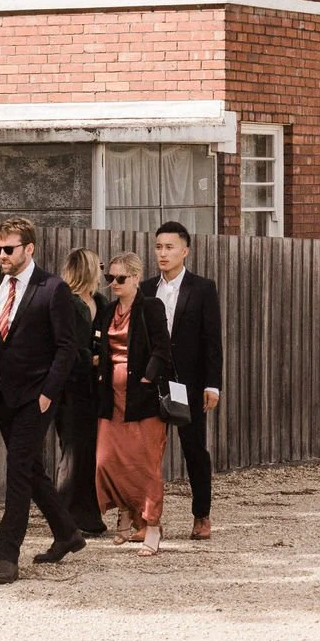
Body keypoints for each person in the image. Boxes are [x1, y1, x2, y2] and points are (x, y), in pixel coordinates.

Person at [0, 216, 86, 584]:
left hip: (37, 397)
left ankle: (7, 557)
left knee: (17, 472)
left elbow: (66, 346)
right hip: (3, 395)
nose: (1, 255)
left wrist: (48, 393)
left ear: (29, 248)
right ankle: (67, 532)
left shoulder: (52, 288)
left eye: (9, 249)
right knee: (30, 468)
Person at [141, 221, 222, 539]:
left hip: (189, 383)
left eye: (169, 247)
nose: (163, 253)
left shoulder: (202, 288)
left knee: (194, 450)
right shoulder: (146, 289)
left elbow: (212, 340)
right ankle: (146, 518)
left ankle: (201, 515)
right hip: (153, 382)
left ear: (185, 251)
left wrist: (212, 384)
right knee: (147, 451)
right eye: (159, 247)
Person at [93, 252, 175, 557]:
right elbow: (98, 342)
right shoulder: (108, 310)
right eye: (109, 278)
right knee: (106, 461)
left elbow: (162, 348)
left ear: (136, 278)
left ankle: (151, 525)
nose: (113, 283)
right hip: (110, 398)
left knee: (146, 464)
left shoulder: (151, 307)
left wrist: (147, 378)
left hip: (142, 399)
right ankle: (125, 510)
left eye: (120, 278)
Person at [53, 248, 109, 538]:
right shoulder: (67, 302)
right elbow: (63, 346)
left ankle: (88, 515)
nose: (102, 270)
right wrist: (92, 359)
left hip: (96, 387)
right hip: (71, 387)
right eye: (98, 266)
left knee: (90, 452)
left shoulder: (101, 302)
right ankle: (65, 517)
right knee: (73, 451)